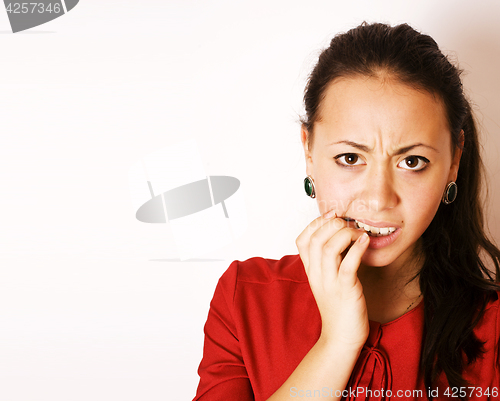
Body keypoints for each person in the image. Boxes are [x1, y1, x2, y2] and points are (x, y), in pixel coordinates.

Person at [192, 22, 500, 401]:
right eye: (350, 157)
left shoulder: (493, 328)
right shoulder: (246, 300)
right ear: (309, 151)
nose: (378, 198)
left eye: (413, 161)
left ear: (453, 161)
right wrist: (337, 341)